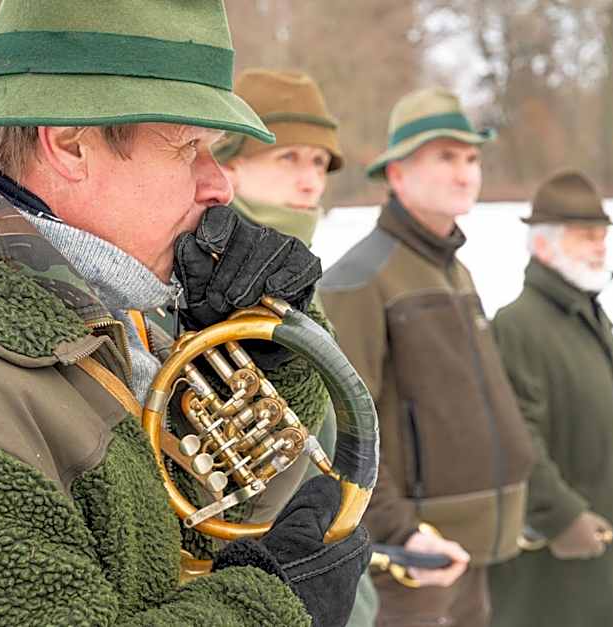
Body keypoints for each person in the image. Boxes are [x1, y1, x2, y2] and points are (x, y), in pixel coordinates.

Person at [0, 2, 372, 626]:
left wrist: (265, 361)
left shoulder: (98, 317)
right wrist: (275, 609)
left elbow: (198, 526)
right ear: (68, 144)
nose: (218, 184)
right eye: (188, 147)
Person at [318, 87, 535, 627]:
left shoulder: (455, 269)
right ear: (396, 174)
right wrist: (400, 532)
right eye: (445, 157)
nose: (466, 173)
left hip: (473, 549)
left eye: (472, 158)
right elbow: (346, 424)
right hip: (416, 561)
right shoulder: (360, 278)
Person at [216, 67, 379, 627]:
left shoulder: (294, 268)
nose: (310, 179)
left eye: (319, 162)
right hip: (257, 583)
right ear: (230, 161)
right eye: (288, 158)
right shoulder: (212, 278)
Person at [487, 170, 613, 627]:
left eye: (602, 234)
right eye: (587, 236)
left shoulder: (586, 315)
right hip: (560, 576)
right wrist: (561, 517)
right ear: (543, 245)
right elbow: (516, 439)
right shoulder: (519, 324)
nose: (601, 245)